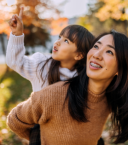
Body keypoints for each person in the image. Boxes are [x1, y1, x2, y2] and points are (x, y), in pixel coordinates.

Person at [7, 30, 128, 144]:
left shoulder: (110, 99)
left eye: (109, 52)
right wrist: (40, 138)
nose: (96, 55)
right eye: (96, 46)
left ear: (120, 69)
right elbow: (14, 121)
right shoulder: (53, 95)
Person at [7, 7, 95, 145]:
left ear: (79, 55)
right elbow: (14, 62)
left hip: (71, 133)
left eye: (66, 41)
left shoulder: (84, 77)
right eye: (60, 37)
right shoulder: (41, 64)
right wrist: (17, 34)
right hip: (41, 130)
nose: (57, 42)